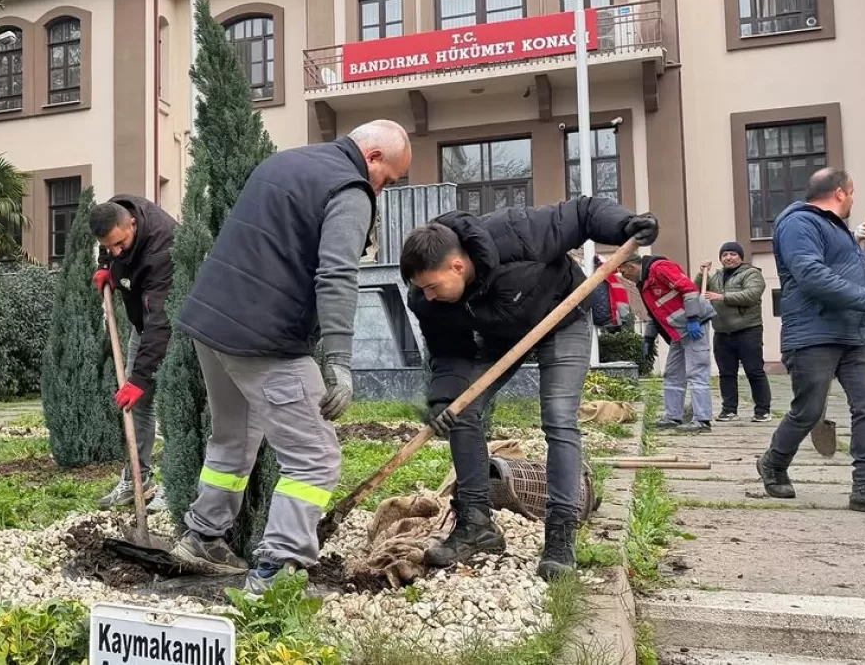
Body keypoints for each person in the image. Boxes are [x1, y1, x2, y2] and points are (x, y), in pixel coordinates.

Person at [170, 120, 413, 593]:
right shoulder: (350, 187)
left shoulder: (285, 162)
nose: (381, 190)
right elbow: (338, 273)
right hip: (266, 340)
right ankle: (276, 572)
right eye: (388, 179)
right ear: (374, 157)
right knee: (314, 458)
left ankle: (202, 536)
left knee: (232, 439)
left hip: (211, 324)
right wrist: (339, 358)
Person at [398, 199, 658, 581]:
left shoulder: (516, 232)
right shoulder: (427, 299)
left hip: (562, 317)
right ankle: (476, 525)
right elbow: (449, 351)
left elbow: (582, 214)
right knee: (461, 411)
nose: (429, 296)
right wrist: (443, 399)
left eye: (433, 286)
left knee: (558, 419)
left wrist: (624, 226)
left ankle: (560, 535)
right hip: (500, 334)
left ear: (457, 265)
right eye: (423, 289)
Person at [757, 169, 865, 515]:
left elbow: (839, 276)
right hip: (814, 334)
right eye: (853, 194)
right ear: (841, 193)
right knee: (808, 410)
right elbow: (812, 276)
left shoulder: (839, 232)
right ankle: (774, 462)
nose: (854, 200)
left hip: (856, 334)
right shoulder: (799, 224)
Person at [90, 195, 177, 511]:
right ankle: (137, 479)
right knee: (136, 406)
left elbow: (161, 320)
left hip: (173, 330)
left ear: (134, 224)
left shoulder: (162, 246)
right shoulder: (114, 214)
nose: (115, 251)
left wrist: (140, 377)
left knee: (173, 408)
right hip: (143, 326)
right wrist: (105, 267)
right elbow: (108, 246)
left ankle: (176, 481)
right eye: (108, 247)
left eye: (119, 244)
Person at [619, 252, 715, 432]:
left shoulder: (660, 268)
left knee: (697, 372)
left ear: (632, 267)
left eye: (624, 272)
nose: (625, 277)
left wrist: (693, 317)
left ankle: (702, 420)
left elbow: (688, 289)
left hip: (695, 326)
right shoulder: (644, 283)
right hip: (678, 331)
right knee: (672, 374)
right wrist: (649, 338)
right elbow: (654, 314)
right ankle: (673, 416)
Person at [698, 242, 772, 422]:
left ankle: (762, 410)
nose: (728, 257)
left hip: (748, 330)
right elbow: (699, 290)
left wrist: (722, 297)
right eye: (724, 255)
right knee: (726, 373)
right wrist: (702, 274)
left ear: (740, 257)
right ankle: (729, 410)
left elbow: (752, 295)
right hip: (722, 332)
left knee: (754, 371)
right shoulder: (716, 276)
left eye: (732, 254)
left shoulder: (751, 273)